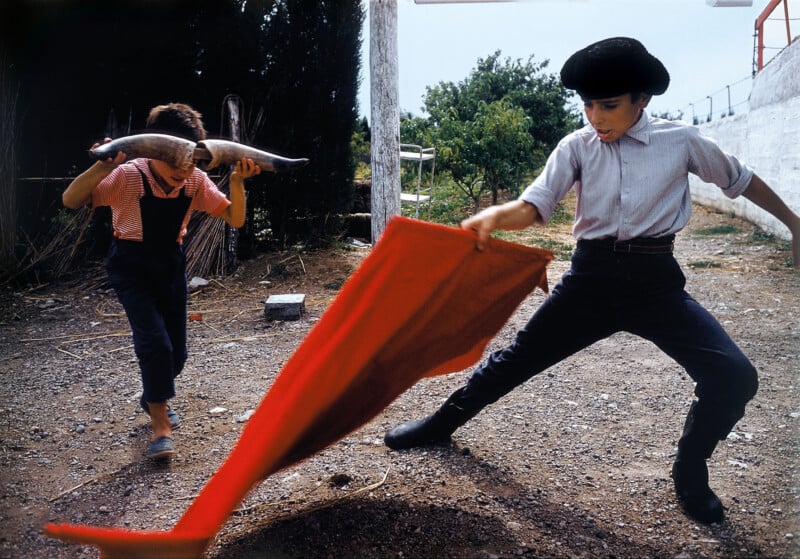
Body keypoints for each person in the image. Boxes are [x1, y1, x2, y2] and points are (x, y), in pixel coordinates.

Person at [384, 37, 800, 524]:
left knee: (734, 376)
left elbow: (740, 179)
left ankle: (690, 468)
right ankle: (440, 424)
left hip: (655, 284)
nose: (596, 117)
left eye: (609, 105)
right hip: (590, 279)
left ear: (641, 99)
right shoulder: (575, 146)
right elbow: (535, 205)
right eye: (587, 104)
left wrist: (794, 223)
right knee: (513, 361)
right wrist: (496, 215)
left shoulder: (681, 140)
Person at [63, 102, 261, 460]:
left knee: (178, 354)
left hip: (171, 265)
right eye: (173, 161)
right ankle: (161, 428)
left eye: (191, 163)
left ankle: (151, 397)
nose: (183, 172)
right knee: (155, 344)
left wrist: (236, 182)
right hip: (130, 266)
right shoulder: (128, 175)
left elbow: (234, 218)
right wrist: (101, 165)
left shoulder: (196, 181)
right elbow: (72, 199)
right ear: (152, 152)